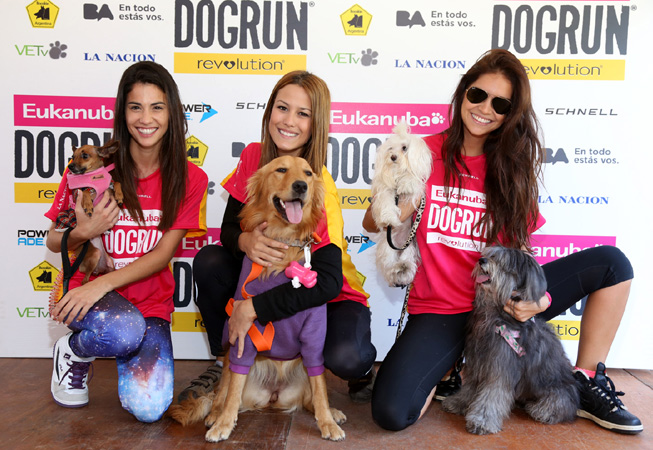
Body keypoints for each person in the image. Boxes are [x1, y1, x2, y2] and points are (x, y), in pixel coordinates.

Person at [364, 49, 643, 434]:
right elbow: (371, 220)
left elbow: (521, 251)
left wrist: (538, 300)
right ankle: (453, 368)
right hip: (442, 311)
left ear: (510, 113)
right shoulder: (422, 152)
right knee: (392, 413)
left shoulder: (511, 169)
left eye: (500, 103)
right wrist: (404, 200)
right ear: (463, 93)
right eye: (477, 95)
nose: (485, 108)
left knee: (613, 263)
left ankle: (586, 378)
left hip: (500, 306)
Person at [179, 70, 377, 404]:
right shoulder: (253, 157)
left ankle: (354, 370)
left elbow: (327, 281)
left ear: (317, 125)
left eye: (303, 114)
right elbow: (229, 229)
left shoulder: (319, 185)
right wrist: (244, 242)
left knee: (348, 357)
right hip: (269, 277)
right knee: (210, 261)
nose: (289, 121)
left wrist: (252, 308)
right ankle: (225, 360)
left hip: (328, 292)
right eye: (282, 108)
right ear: (269, 110)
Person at [45, 61, 208, 422]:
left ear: (172, 113)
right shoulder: (91, 168)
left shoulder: (191, 177)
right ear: (123, 112)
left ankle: (120, 350)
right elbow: (55, 240)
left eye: (157, 107)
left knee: (149, 409)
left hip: (147, 302)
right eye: (135, 107)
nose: (145, 118)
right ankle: (74, 350)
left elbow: (164, 253)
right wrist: (85, 232)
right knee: (123, 329)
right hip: (88, 292)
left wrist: (101, 283)